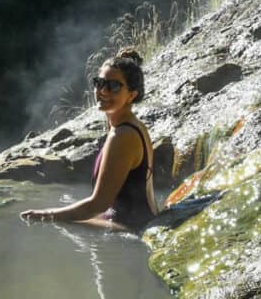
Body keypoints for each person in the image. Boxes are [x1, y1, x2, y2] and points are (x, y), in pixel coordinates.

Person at [20, 48, 158, 231]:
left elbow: (98, 204)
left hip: (132, 228)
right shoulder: (127, 125)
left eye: (113, 86)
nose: (103, 91)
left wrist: (47, 214)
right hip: (132, 219)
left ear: (131, 95)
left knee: (49, 223)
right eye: (99, 83)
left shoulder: (123, 135)